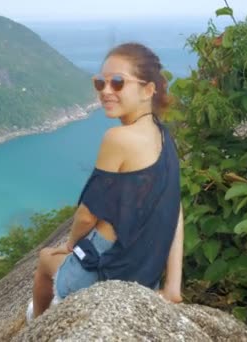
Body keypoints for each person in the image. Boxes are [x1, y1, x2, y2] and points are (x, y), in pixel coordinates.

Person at [30, 42, 184, 319]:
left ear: (148, 90)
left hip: (103, 271)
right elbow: (175, 211)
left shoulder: (118, 138)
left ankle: (36, 327)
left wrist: (70, 246)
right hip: (145, 277)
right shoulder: (163, 136)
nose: (106, 92)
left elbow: (87, 215)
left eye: (117, 82)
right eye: (100, 83)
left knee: (44, 259)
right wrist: (172, 285)